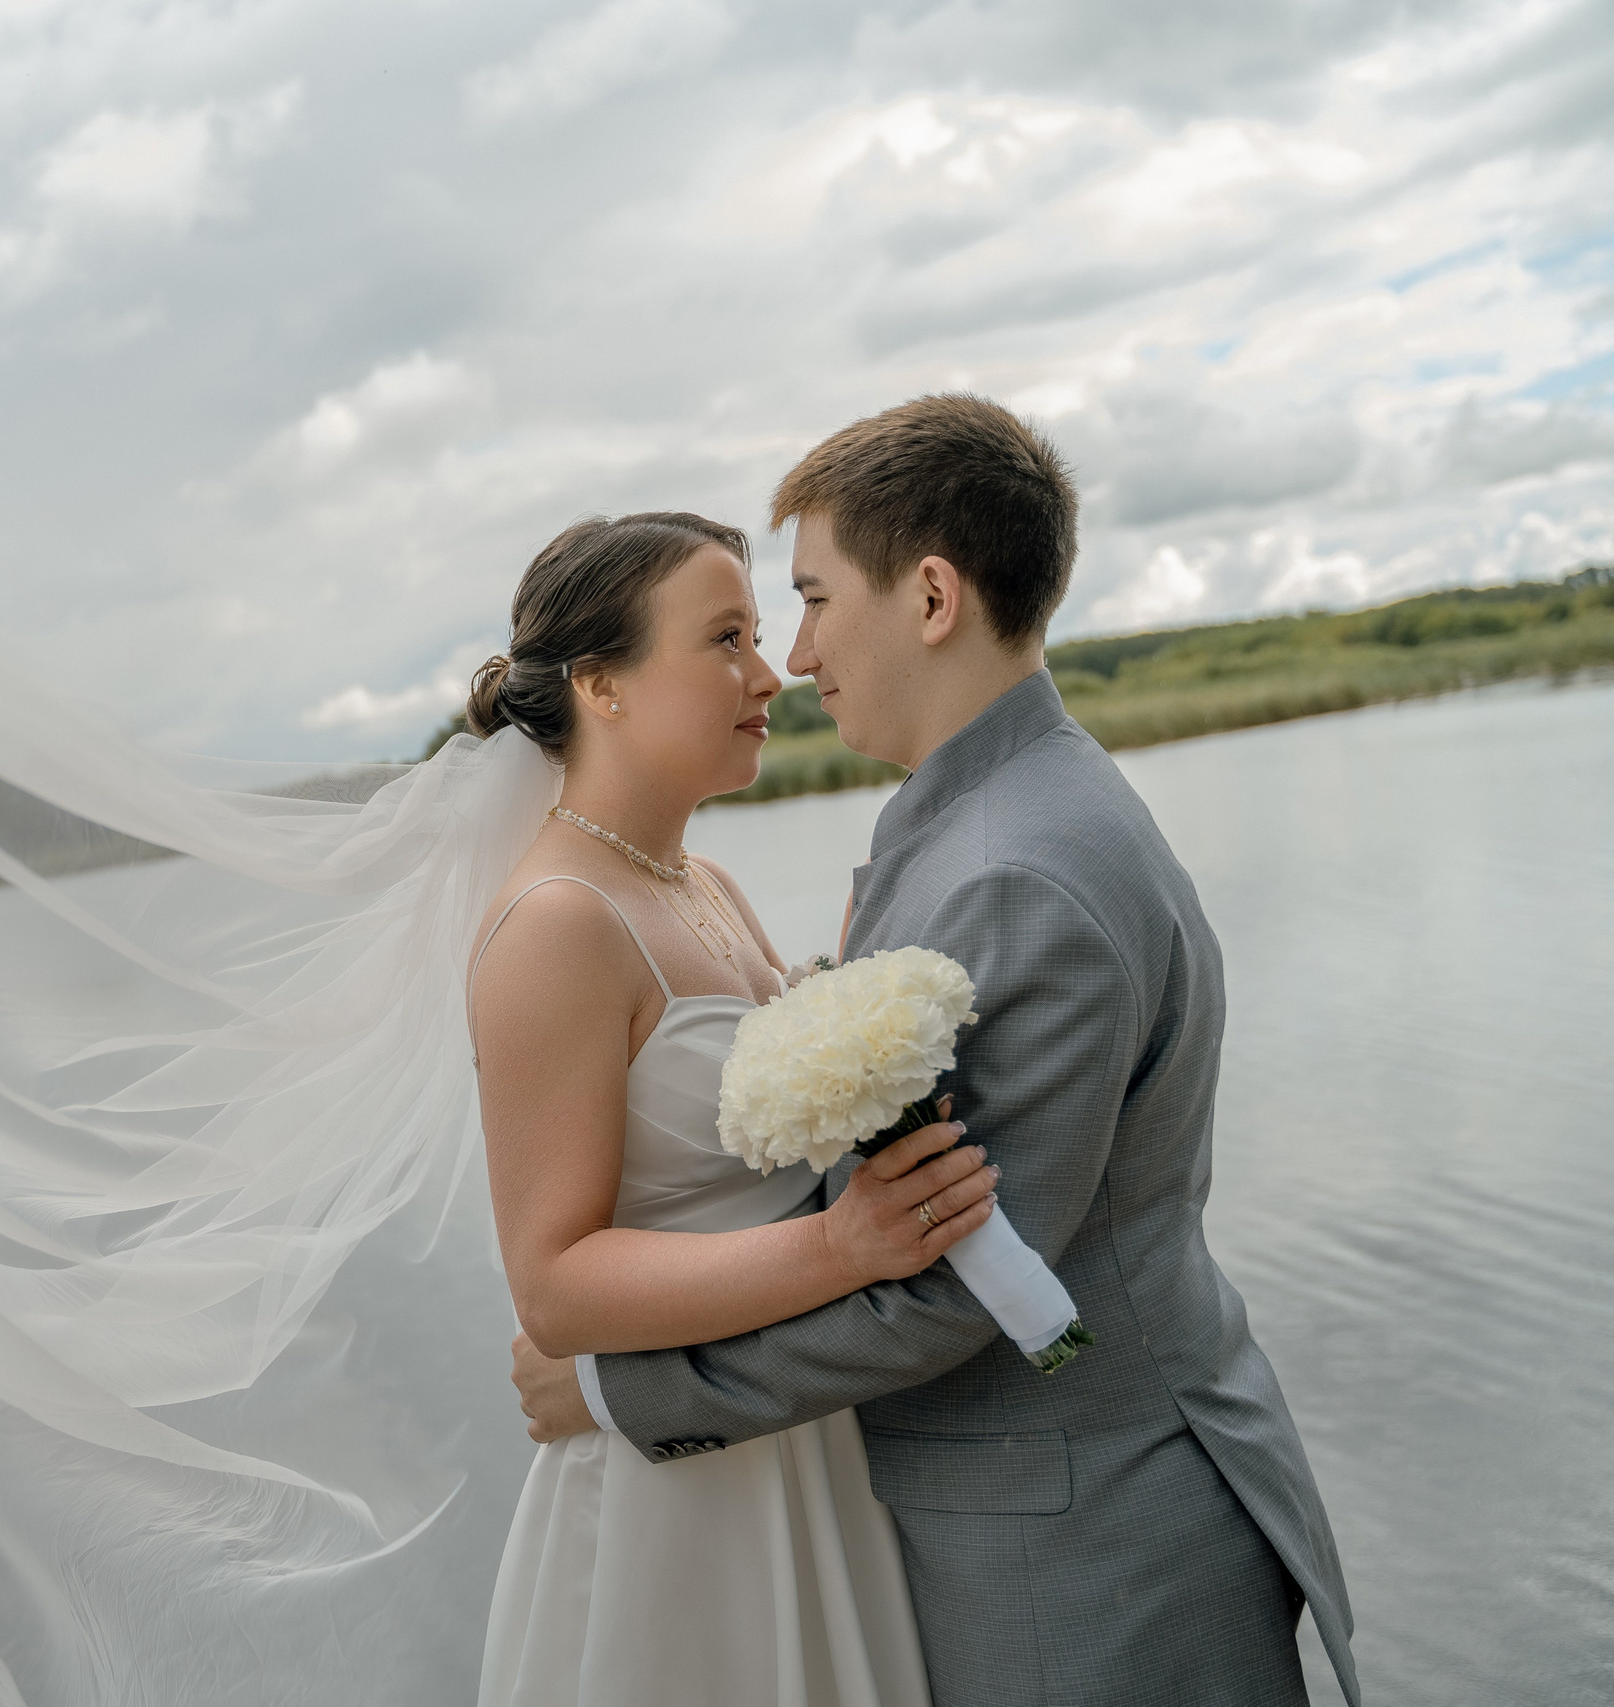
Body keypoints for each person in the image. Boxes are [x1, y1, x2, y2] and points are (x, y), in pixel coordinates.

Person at [510, 397, 1360, 1706]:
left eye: (810, 599)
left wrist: (623, 1393)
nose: (792, 656)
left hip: (1083, 1550)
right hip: (1013, 1508)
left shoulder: (1015, 864)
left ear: (931, 595)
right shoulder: (986, 813)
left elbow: (957, 1282)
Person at [464, 510, 1000, 1706]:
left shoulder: (703, 881)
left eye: (758, 635)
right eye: (724, 639)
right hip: (676, 1514)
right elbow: (551, 1287)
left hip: (800, 1448)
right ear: (600, 683)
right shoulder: (555, 926)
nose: (770, 674)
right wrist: (839, 1246)